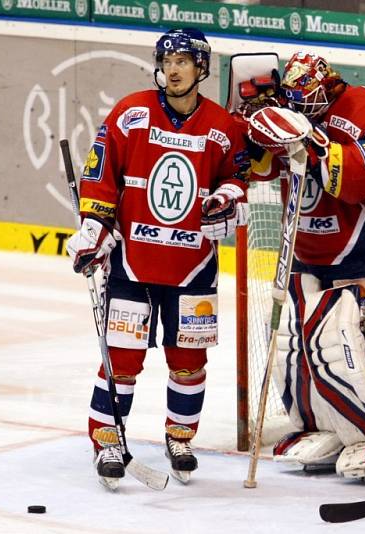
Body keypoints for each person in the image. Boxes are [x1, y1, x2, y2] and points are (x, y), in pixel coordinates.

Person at [66, 28, 250, 489]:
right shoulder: (131, 114)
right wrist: (95, 228)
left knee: (188, 361)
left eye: (184, 61)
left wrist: (227, 199)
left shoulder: (223, 128)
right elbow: (101, 175)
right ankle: (107, 438)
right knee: (121, 359)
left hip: (193, 266)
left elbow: (239, 177)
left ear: (201, 68)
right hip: (133, 262)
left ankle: (180, 438)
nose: (173, 68)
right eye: (167, 60)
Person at [242, 51, 365, 481]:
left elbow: (356, 182)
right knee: (292, 343)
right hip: (303, 248)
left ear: (326, 88)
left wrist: (310, 142)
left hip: (363, 249)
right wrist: (251, 123)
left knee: (353, 343)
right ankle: (327, 426)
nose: (297, 109)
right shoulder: (287, 113)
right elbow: (256, 169)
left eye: (305, 101)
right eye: (291, 100)